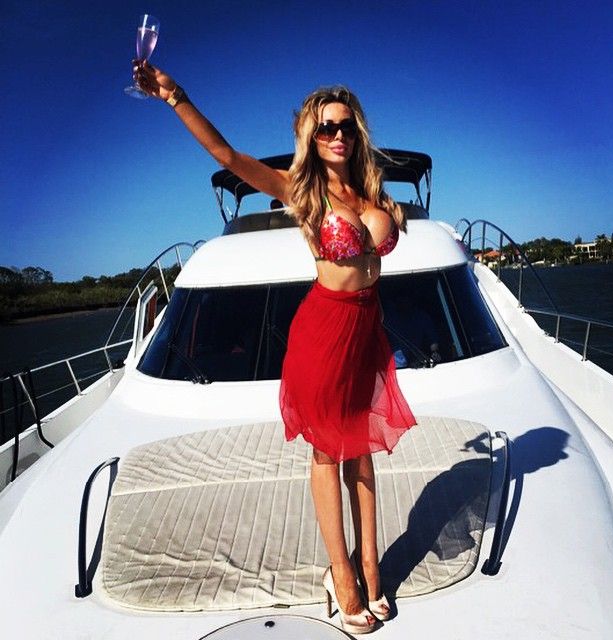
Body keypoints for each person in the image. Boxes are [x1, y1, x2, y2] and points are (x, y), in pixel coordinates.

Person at [134, 61, 417, 634]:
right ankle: (340, 574)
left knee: (362, 451)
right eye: (325, 127)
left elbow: (376, 255)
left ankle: (370, 563)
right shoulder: (302, 191)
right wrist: (175, 95)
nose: (337, 135)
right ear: (311, 136)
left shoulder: (374, 194)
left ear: (357, 132)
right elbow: (227, 157)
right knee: (328, 453)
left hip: (367, 331)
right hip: (325, 330)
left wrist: (392, 216)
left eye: (345, 126)